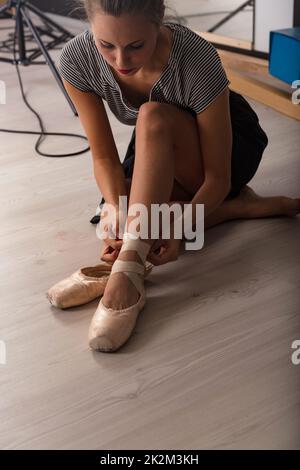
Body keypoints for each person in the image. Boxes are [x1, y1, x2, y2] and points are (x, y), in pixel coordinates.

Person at [59, 0, 300, 352]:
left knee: (153, 116)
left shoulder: (197, 59)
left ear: (158, 22)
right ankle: (238, 209)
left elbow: (217, 178)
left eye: (135, 46)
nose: (121, 62)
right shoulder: (76, 58)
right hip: (156, 139)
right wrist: (116, 208)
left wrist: (178, 230)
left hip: (227, 146)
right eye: (106, 45)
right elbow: (104, 159)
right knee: (120, 206)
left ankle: (127, 272)